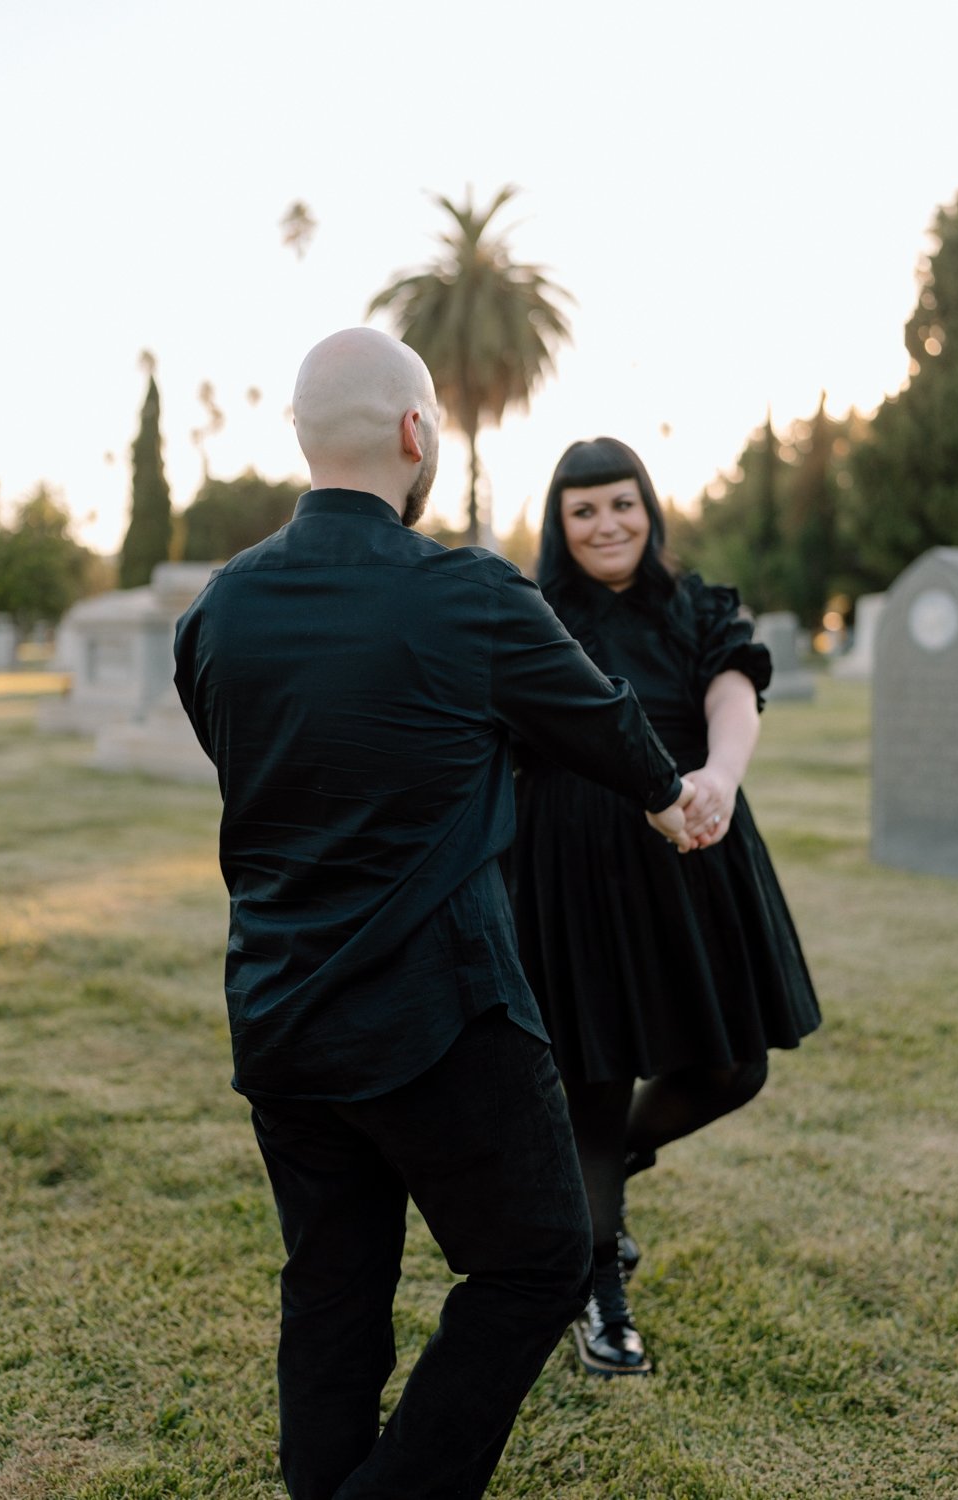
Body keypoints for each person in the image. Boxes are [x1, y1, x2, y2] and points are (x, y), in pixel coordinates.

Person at [173, 333, 698, 1499]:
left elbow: (244, 763)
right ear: (417, 433)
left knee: (332, 1290)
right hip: (439, 1018)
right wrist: (667, 798)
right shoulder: (466, 596)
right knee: (539, 1261)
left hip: (276, 1014)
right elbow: (601, 722)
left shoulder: (219, 611)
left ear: (307, 440)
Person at [507, 436, 821, 1378]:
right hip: (573, 857)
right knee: (595, 1079)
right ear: (560, 527)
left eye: (624, 504)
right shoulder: (531, 613)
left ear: (651, 507)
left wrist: (719, 777)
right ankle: (596, 1289)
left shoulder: (695, 604)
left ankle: (594, 1182)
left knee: (731, 1065)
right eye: (585, 510)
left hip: (696, 841)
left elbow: (733, 685)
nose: (609, 525)